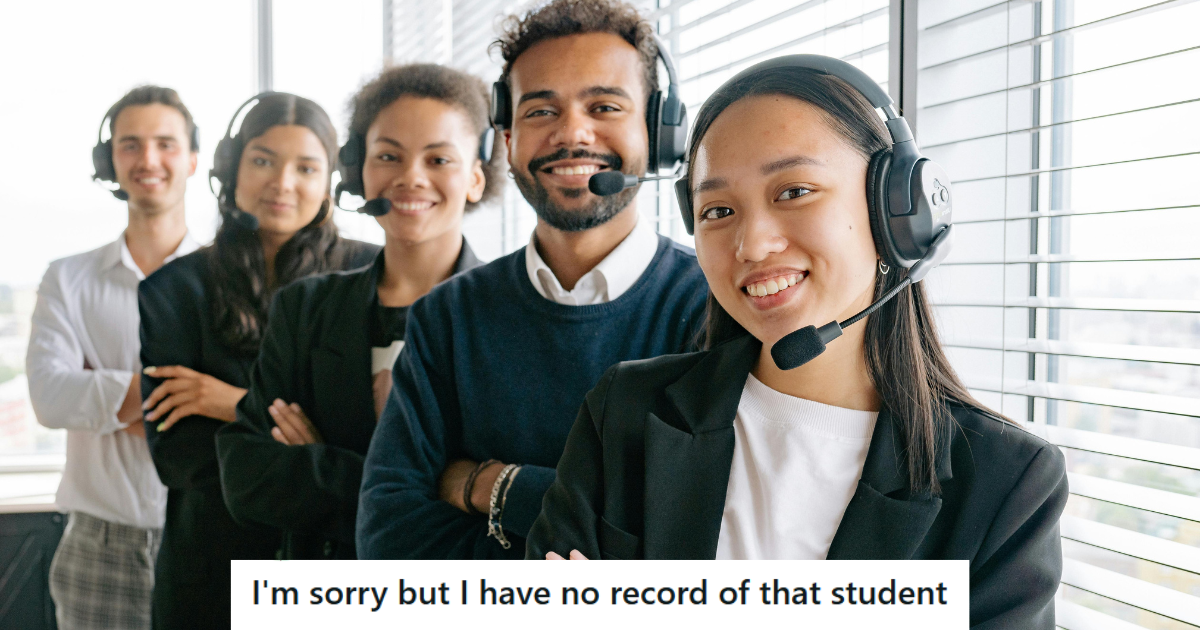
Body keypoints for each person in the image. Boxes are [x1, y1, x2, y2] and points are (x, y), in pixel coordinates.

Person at [525, 57, 1068, 629]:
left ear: (898, 213)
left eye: (795, 191)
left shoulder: (1006, 483)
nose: (752, 244)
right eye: (718, 210)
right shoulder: (629, 410)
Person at [356, 0, 709, 559]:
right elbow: (388, 539)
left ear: (657, 129)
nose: (572, 132)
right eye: (541, 111)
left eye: (604, 105)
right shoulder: (446, 316)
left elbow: (695, 541)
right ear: (507, 136)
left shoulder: (715, 308)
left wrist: (489, 486)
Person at [214, 64, 500, 559]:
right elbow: (247, 476)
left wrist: (320, 464)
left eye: (439, 159)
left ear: (476, 178)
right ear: (357, 172)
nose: (411, 177)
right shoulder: (304, 308)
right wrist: (442, 484)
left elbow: (513, 495)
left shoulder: (510, 316)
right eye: (389, 155)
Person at [138, 93, 378, 628]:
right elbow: (180, 456)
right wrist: (313, 448)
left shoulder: (373, 276)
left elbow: (379, 449)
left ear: (331, 180)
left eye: (306, 166)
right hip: (210, 571)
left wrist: (235, 406)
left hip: (337, 570)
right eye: (263, 160)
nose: (283, 182)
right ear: (232, 168)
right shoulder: (173, 290)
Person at [26, 85, 199, 630]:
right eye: (131, 144)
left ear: (193, 160)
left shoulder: (227, 281)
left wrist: (106, 398)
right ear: (110, 161)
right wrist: (182, 398)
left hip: (204, 533)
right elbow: (52, 398)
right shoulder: (68, 278)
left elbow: (245, 403)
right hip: (99, 542)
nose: (148, 160)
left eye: (166, 144)